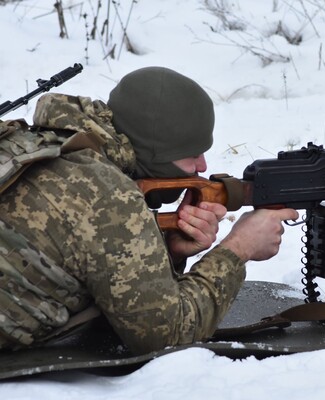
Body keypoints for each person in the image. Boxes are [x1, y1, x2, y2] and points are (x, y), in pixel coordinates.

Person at [0, 66, 298, 354]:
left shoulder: (52, 146)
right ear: (155, 152)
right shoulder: (108, 196)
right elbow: (166, 334)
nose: (202, 165)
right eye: (191, 153)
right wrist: (239, 248)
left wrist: (168, 251)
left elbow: (91, 260)